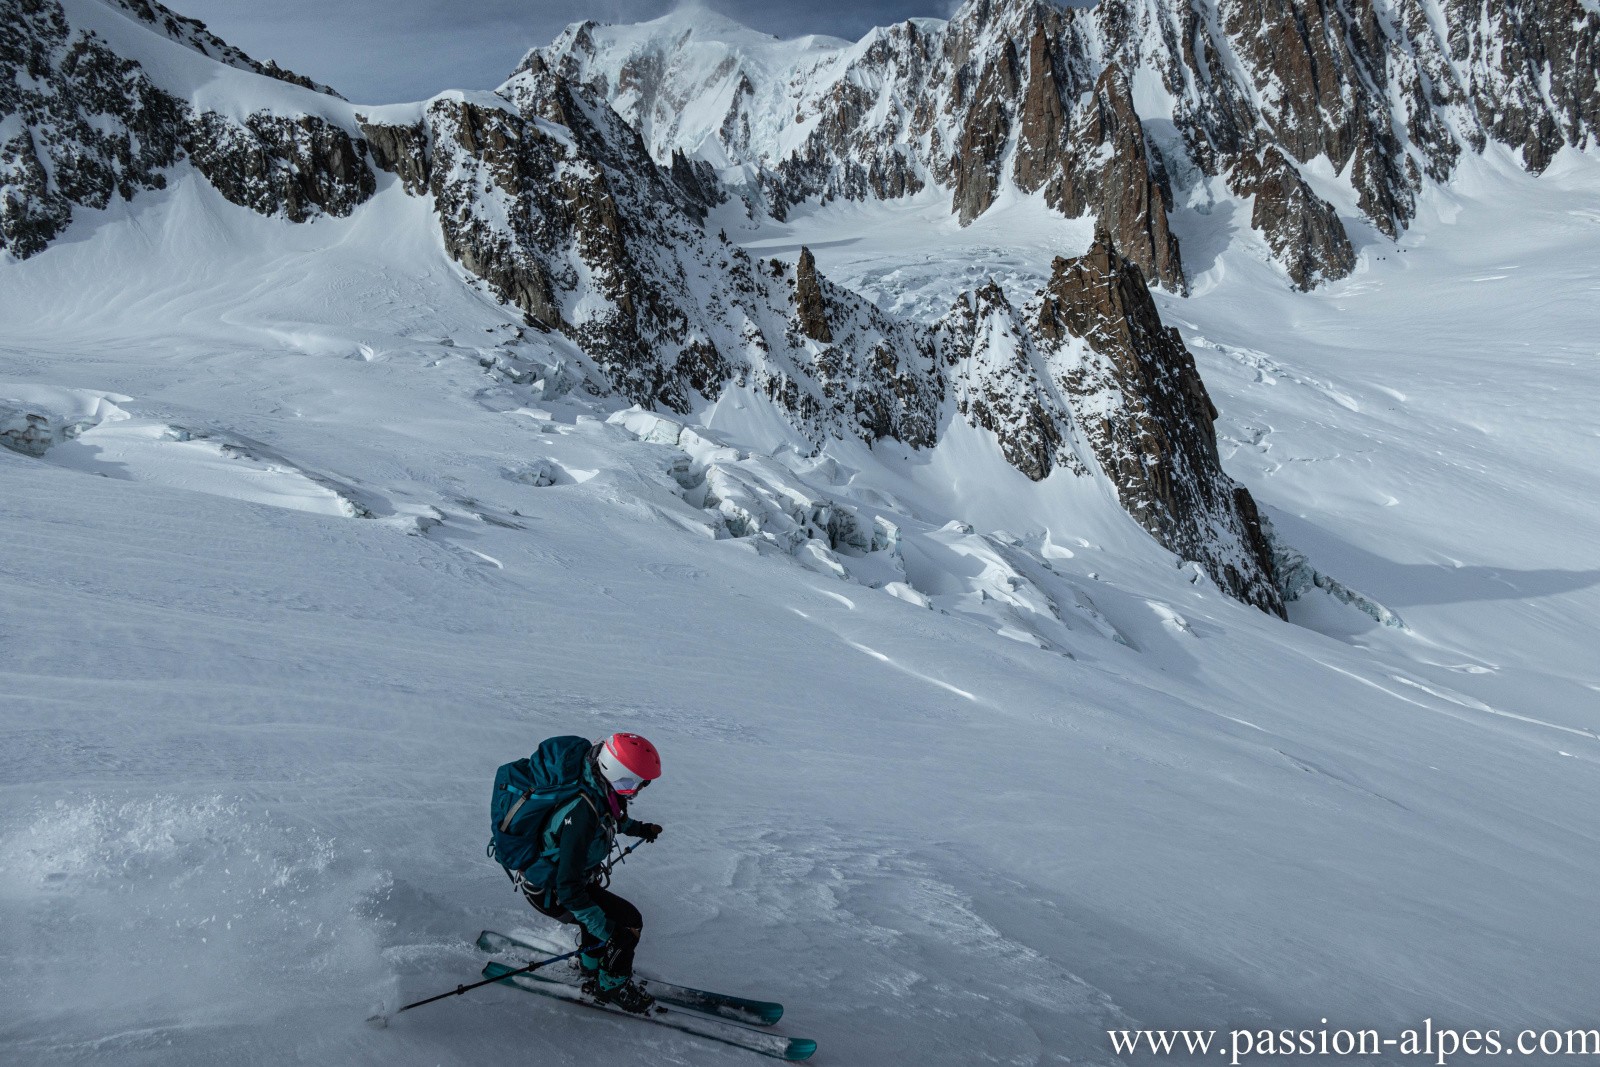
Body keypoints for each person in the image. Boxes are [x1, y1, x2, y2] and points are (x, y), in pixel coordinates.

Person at [507, 733, 663, 1013]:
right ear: (618, 775)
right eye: (637, 782)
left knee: (602, 916)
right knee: (626, 924)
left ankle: (591, 966)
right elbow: (568, 889)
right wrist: (608, 931)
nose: (639, 789)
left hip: (568, 881)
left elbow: (612, 817)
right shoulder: (582, 814)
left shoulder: (596, 786)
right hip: (552, 891)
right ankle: (611, 985)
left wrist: (640, 829)